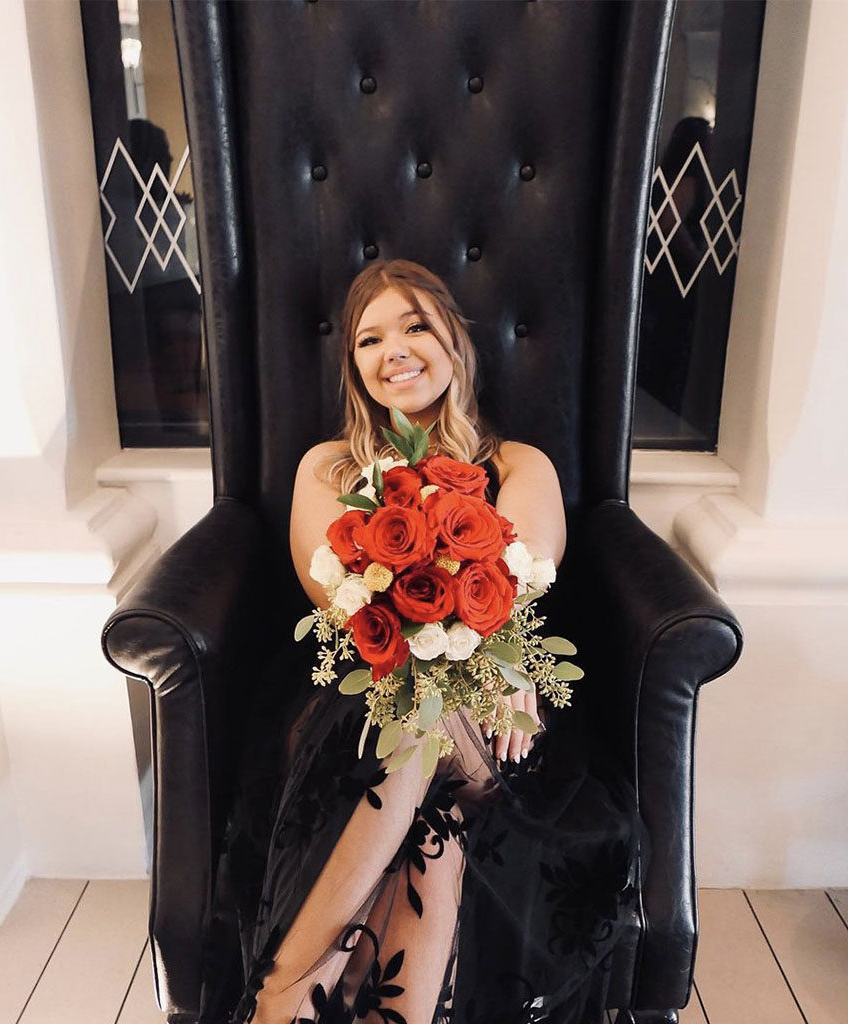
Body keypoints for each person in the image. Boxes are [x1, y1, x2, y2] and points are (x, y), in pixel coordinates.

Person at [198, 259, 649, 1024]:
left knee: (422, 716)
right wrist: (412, 642)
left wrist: (490, 657)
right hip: (360, 700)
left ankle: (277, 1006)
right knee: (429, 823)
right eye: (369, 339)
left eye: (414, 326)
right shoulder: (328, 467)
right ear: (355, 368)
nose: (393, 350)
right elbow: (332, 592)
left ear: (454, 343)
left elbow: (522, 578)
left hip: (493, 719)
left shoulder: (516, 466)